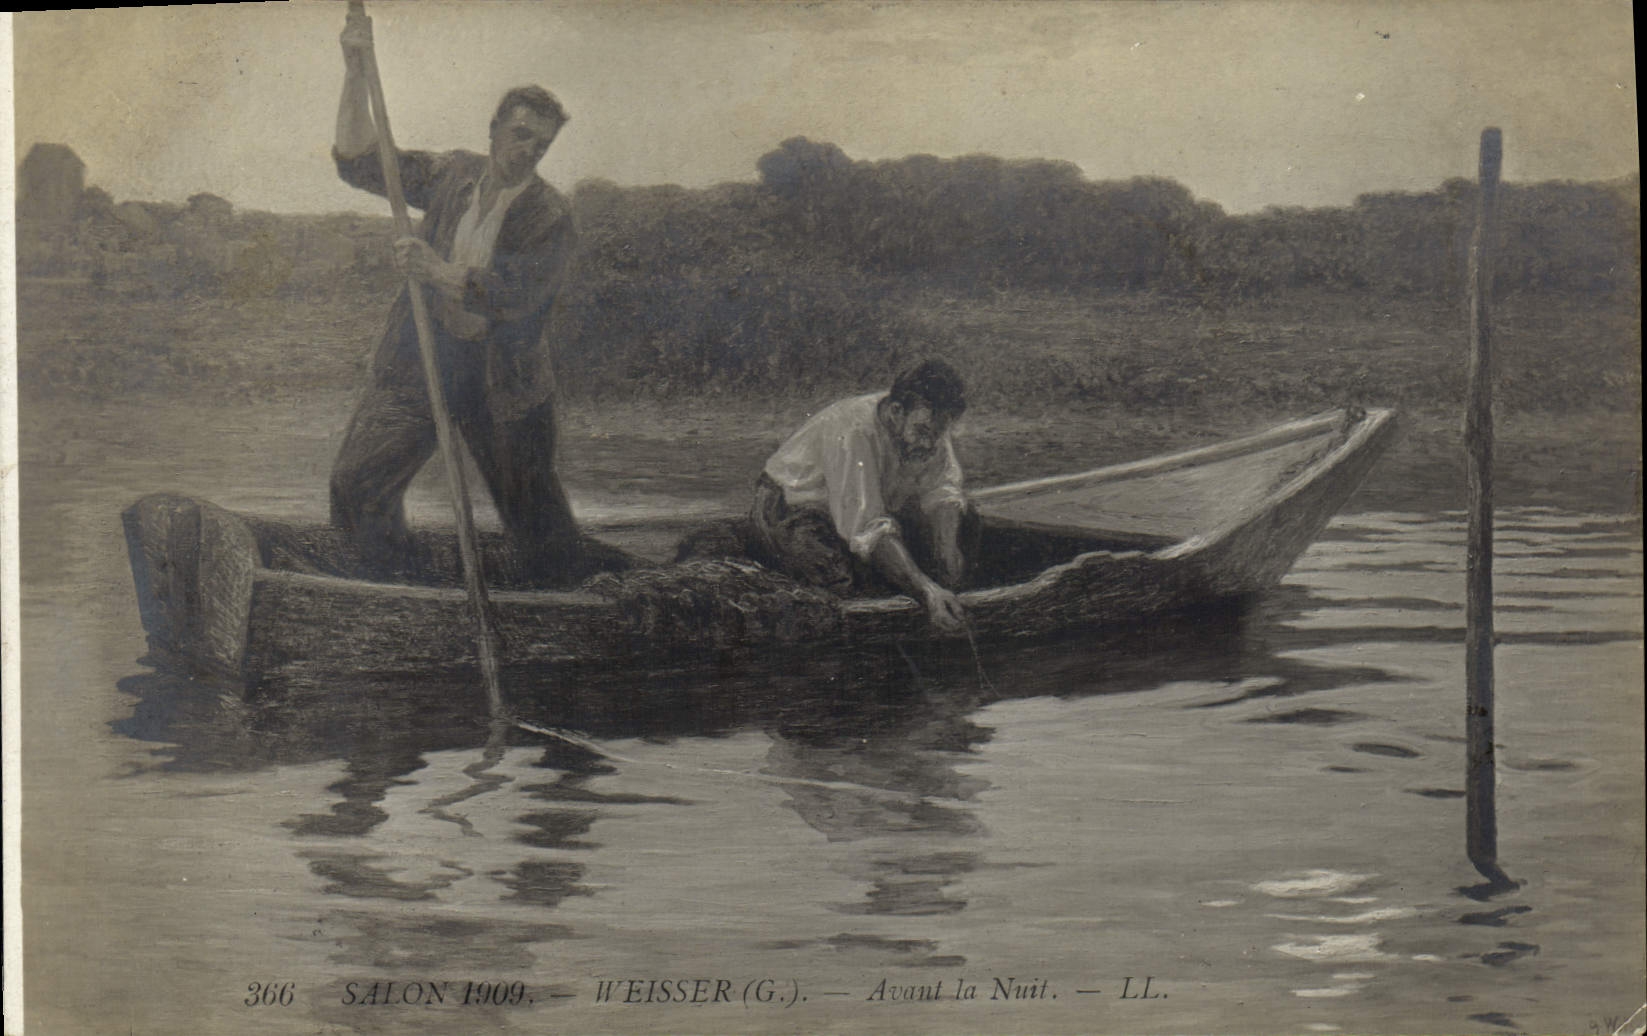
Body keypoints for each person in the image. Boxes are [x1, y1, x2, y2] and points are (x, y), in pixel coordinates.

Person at [328, 7, 588, 584]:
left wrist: (438, 272)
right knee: (356, 486)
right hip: (423, 363)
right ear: (495, 128)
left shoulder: (550, 216)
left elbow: (513, 298)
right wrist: (353, 71)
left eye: (540, 145)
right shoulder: (452, 173)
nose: (527, 151)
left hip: (502, 383)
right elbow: (361, 164)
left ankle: (579, 609)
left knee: (537, 526)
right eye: (520, 134)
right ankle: (396, 593)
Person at [751, 359, 977, 632]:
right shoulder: (852, 432)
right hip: (791, 505)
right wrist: (928, 591)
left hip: (857, 507)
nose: (929, 444)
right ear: (896, 411)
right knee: (839, 584)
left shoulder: (929, 422)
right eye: (922, 432)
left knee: (966, 527)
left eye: (938, 434)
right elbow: (867, 527)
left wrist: (947, 551)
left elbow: (942, 491)